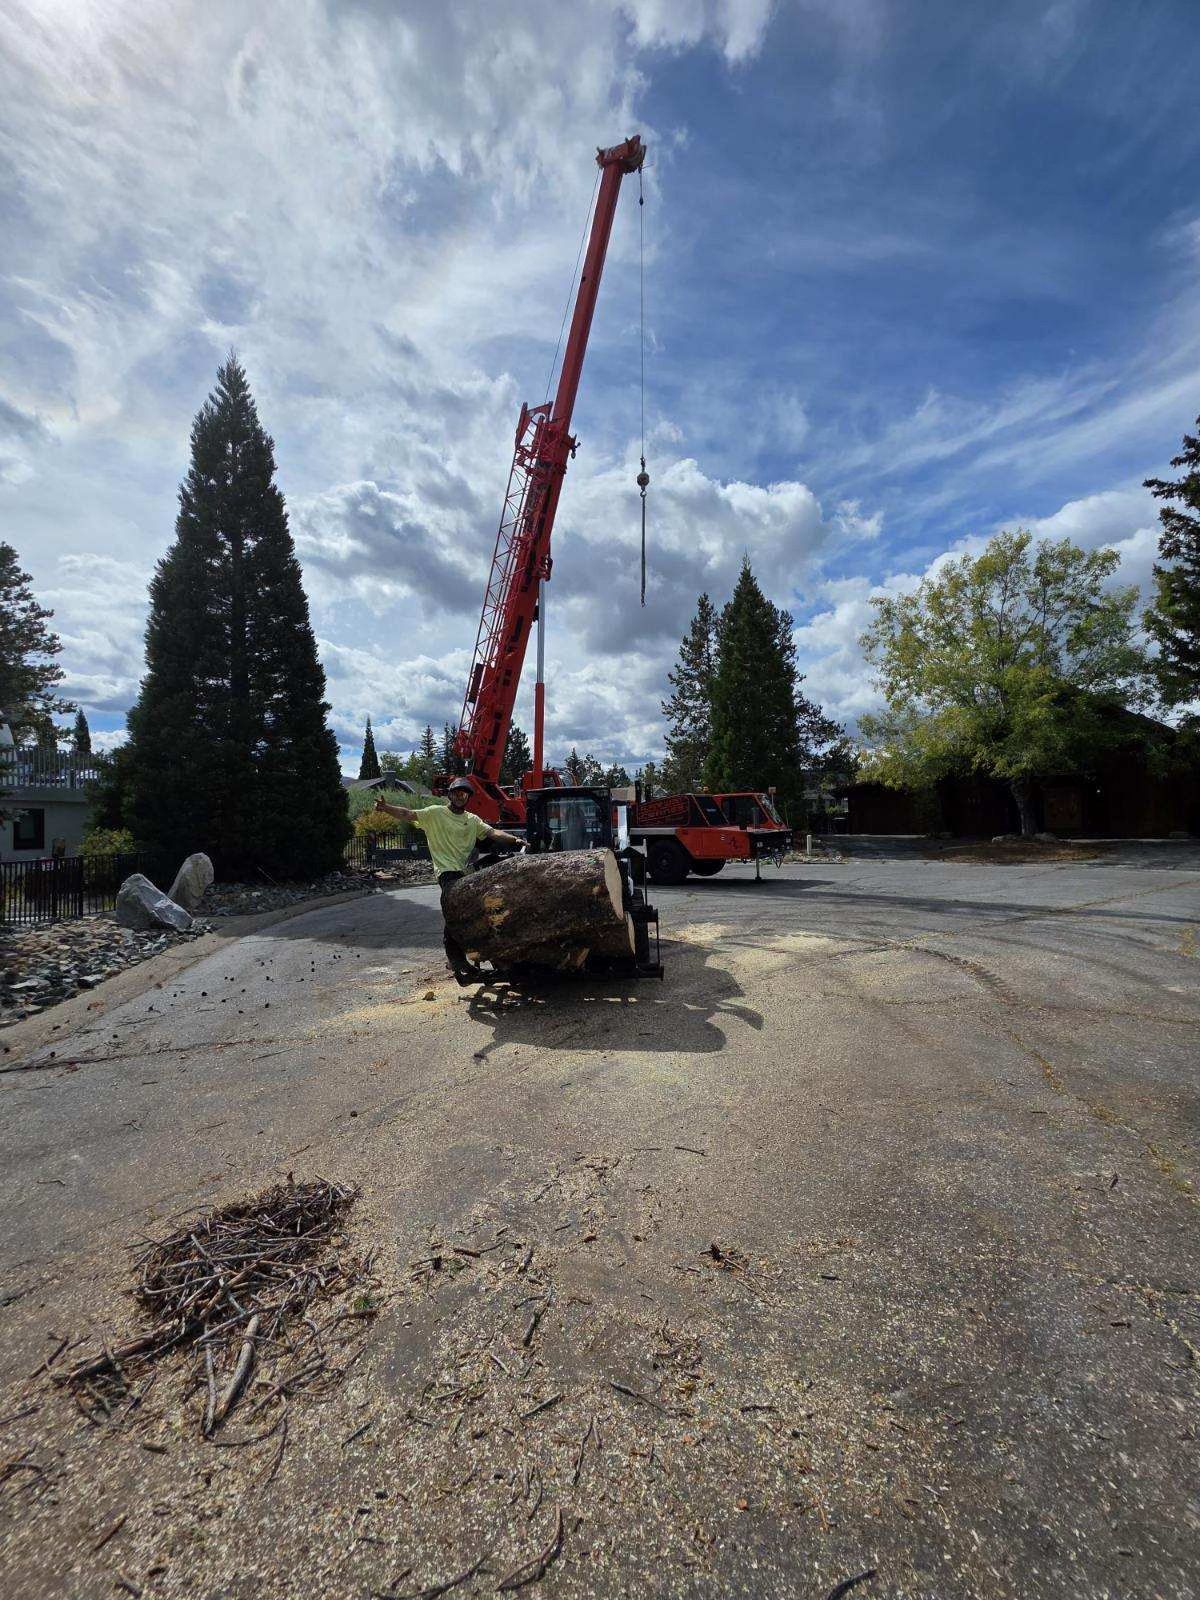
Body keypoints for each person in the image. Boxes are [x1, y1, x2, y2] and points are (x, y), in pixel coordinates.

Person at [377, 778, 524, 984]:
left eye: (463, 795)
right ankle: (456, 959)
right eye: (456, 794)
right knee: (455, 912)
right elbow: (407, 814)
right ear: (449, 795)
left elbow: (493, 832)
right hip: (447, 872)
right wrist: (386, 808)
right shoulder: (435, 813)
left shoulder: (472, 819)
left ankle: (484, 951)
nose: (459, 797)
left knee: (479, 910)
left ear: (468, 798)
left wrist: (514, 839)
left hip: (466, 872)